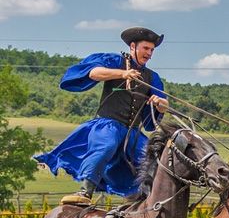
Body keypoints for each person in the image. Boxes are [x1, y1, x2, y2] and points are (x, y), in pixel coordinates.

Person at [35, 27, 170, 205]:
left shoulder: (152, 77)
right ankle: (84, 192)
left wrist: (161, 105)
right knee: (106, 146)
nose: (149, 53)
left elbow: (161, 105)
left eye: (152, 50)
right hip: (108, 124)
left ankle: (148, 200)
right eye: (146, 48)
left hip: (133, 132)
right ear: (132, 46)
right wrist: (122, 73)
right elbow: (93, 72)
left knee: (155, 158)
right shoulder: (114, 61)